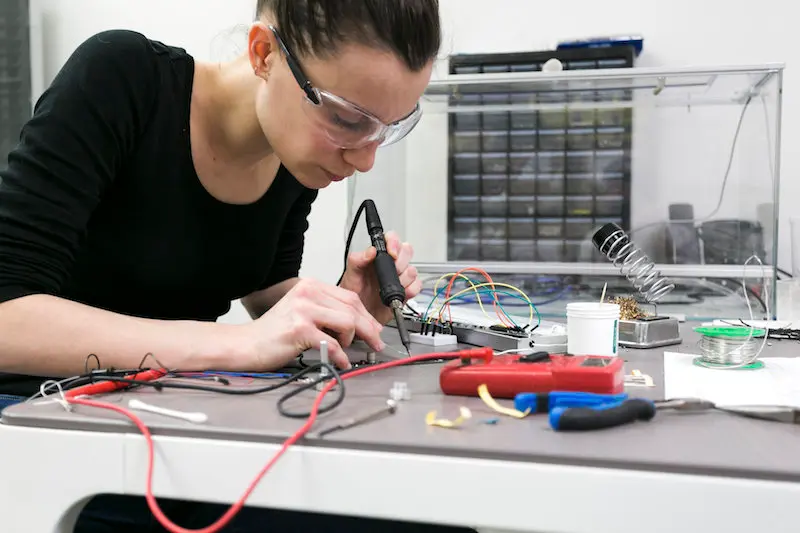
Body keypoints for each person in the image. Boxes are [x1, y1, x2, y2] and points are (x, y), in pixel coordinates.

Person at [0, 0, 474, 531]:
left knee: (421, 511)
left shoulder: (295, 152)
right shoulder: (122, 76)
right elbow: (6, 318)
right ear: (264, 53)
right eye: (346, 119)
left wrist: (338, 304)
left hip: (166, 418)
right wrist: (237, 345)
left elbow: (259, 282)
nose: (364, 158)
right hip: (41, 426)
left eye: (387, 129)